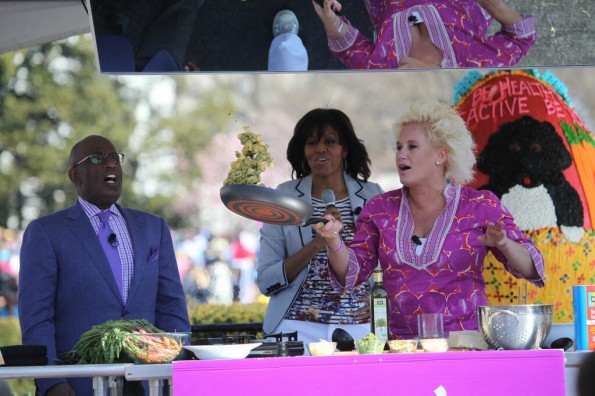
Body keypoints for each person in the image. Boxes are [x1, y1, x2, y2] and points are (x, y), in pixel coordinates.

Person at [313, 100, 545, 339]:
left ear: (441, 155)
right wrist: (333, 240)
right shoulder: (380, 209)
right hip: (400, 350)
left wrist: (504, 244)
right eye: (399, 146)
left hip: (465, 348)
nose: (401, 154)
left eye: (412, 147)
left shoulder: (480, 205)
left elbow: (531, 269)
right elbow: (350, 273)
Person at [18, 135, 190, 396]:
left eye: (114, 158)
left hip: (150, 381)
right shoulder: (46, 232)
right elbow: (37, 317)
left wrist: (178, 369)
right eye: (97, 159)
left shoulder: (153, 227)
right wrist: (52, 382)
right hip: (79, 383)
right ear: (75, 175)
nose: (110, 165)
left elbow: (171, 305)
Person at [257, 108, 384, 348]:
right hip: (295, 328)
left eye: (330, 141)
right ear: (304, 151)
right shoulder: (283, 197)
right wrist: (318, 243)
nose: (320, 149)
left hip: (359, 329)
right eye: (312, 142)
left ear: (344, 148)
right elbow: (265, 280)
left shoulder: (372, 195)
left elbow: (385, 268)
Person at [312, 0, 536, 69]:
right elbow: (521, 37)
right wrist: (494, 7)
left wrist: (332, 21)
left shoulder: (384, 69)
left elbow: (349, 47)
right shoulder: (473, 65)